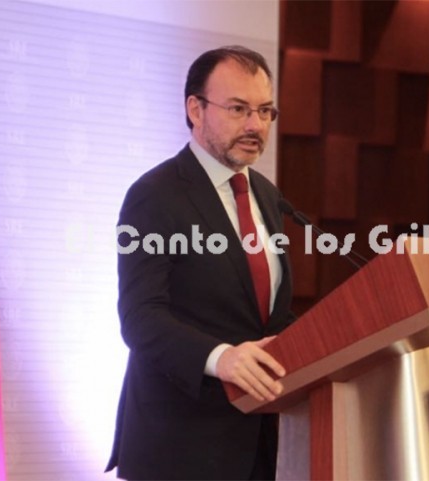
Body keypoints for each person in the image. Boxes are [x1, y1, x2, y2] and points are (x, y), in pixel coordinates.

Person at [106, 46, 294, 480]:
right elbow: (140, 317)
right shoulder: (155, 194)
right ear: (196, 109)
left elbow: (267, 314)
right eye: (238, 109)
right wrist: (220, 357)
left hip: (258, 444)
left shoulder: (267, 195)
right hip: (179, 447)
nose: (255, 125)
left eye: (265, 111)